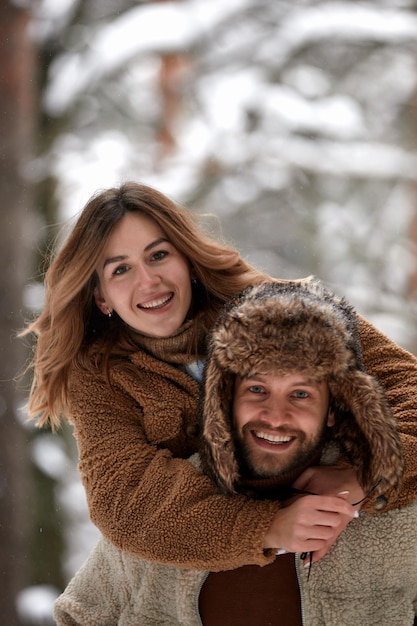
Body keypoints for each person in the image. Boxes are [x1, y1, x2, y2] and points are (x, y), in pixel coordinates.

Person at [22, 181, 417, 571]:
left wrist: (362, 476)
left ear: (187, 260)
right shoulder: (101, 375)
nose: (148, 281)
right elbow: (125, 503)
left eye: (158, 255)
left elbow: (409, 387)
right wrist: (268, 526)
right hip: (205, 584)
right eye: (121, 269)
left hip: (350, 554)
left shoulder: (281, 307)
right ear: (101, 296)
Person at [53, 279, 417, 626]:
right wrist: (265, 527)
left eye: (301, 394)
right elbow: (79, 616)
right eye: (257, 389)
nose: (275, 417)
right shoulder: (163, 505)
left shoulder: (396, 514)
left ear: (334, 408)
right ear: (224, 399)